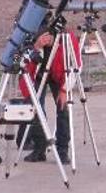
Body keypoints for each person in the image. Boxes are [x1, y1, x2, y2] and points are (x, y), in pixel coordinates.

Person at [20, 30, 79, 164]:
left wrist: (65, 89)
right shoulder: (31, 37)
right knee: (34, 108)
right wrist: (36, 47)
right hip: (39, 72)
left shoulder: (67, 39)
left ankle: (62, 150)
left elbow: (76, 66)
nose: (46, 39)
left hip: (60, 75)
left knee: (63, 110)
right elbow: (23, 64)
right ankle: (40, 147)